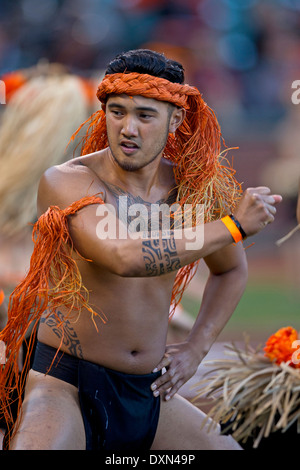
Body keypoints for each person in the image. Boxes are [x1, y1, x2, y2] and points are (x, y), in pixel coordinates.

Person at [0, 49, 282, 450]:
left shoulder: (193, 191)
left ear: (176, 120)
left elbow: (230, 270)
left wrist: (196, 348)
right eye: (117, 112)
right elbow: (124, 257)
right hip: (65, 384)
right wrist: (233, 226)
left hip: (148, 391)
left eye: (145, 116)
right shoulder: (69, 181)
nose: (127, 128)